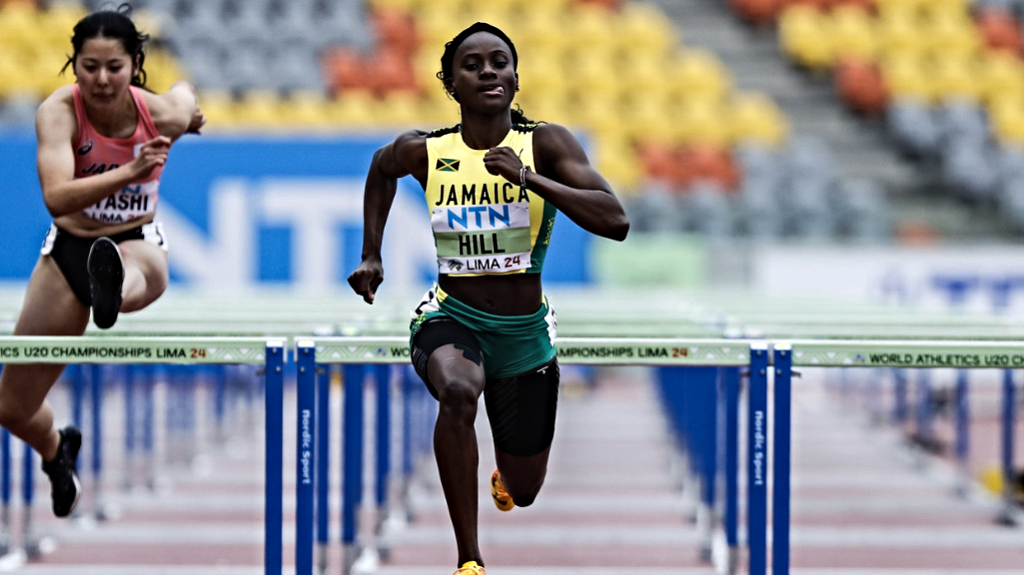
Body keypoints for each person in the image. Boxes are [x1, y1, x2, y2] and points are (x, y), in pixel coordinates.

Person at [347, 22, 629, 575]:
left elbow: (614, 220)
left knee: (524, 490)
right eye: (472, 65)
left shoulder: (545, 144)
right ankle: (469, 559)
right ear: (451, 83)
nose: (487, 72)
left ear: (516, 78)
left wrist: (529, 178)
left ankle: (506, 476)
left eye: (499, 62)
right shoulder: (427, 151)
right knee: (457, 391)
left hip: (525, 338)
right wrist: (371, 254)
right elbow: (381, 168)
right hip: (453, 318)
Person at [0, 3, 204, 518]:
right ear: (74, 65)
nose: (101, 79)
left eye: (114, 67)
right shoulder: (58, 112)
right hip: (68, 249)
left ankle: (111, 290)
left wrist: (190, 111)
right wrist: (130, 170)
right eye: (89, 67)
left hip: (135, 238)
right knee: (10, 405)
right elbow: (58, 197)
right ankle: (57, 448)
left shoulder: (160, 115)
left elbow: (183, 93)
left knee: (134, 268)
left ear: (135, 65)